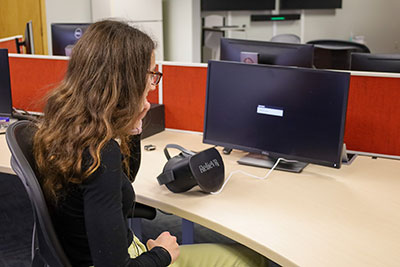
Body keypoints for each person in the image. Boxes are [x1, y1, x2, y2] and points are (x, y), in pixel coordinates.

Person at [33, 20, 268, 267]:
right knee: (251, 261)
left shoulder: (66, 127)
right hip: (125, 259)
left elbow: (124, 179)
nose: (153, 85)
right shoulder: (101, 154)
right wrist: (161, 254)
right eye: (151, 74)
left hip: (97, 252)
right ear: (127, 80)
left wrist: (132, 127)